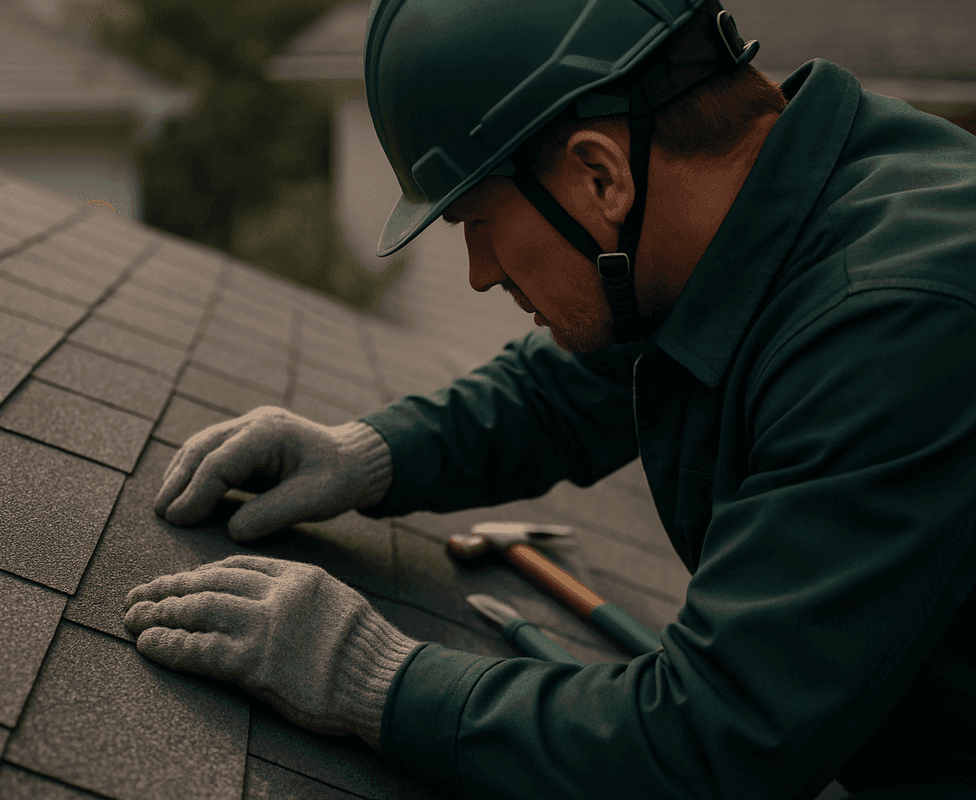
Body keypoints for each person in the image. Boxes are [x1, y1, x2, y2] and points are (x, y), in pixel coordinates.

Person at [122, 1, 976, 797]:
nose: (479, 272)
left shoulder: (894, 321)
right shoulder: (773, 203)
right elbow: (593, 376)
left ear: (600, 175)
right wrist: (368, 451)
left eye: (477, 223)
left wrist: (375, 679)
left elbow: (715, 738)